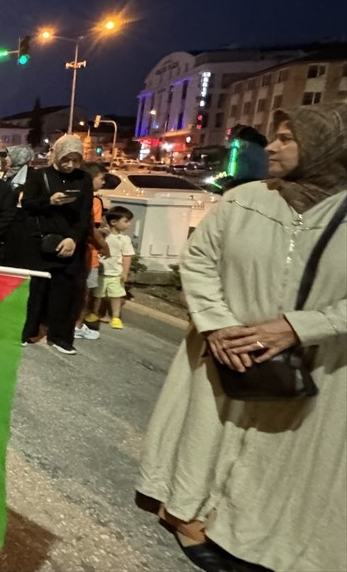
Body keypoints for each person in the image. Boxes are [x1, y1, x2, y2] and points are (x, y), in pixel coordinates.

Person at [137, 102, 346, 572]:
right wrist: (218, 325)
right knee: (208, 435)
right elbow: (198, 261)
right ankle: (189, 513)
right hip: (224, 350)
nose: (271, 146)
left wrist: (299, 327)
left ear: (326, 148)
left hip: (317, 361)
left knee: (287, 455)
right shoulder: (244, 199)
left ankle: (264, 534)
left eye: (287, 139)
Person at [18, 135, 93, 355]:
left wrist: (73, 239)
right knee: (35, 290)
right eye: (65, 159)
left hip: (70, 243)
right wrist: (49, 201)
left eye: (75, 160)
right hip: (41, 241)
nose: (70, 165)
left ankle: (60, 336)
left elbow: (84, 213)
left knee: (66, 291)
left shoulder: (84, 179)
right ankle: (27, 331)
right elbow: (27, 203)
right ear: (57, 156)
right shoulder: (40, 176)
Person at [74, 161, 110, 342]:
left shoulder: (74, 196)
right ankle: (78, 325)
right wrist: (104, 244)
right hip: (89, 254)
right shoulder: (94, 201)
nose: (103, 182)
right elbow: (92, 229)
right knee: (84, 292)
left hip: (75, 251)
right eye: (101, 178)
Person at [93, 206, 134, 329]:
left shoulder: (124, 240)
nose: (129, 225)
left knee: (116, 296)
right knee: (97, 294)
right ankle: (94, 313)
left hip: (115, 273)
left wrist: (125, 273)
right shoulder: (102, 235)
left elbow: (127, 257)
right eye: (126, 221)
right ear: (113, 222)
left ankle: (115, 317)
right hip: (100, 272)